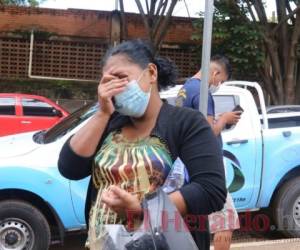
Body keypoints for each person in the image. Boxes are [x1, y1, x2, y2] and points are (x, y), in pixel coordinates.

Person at [58, 40, 227, 250]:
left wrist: (142, 210)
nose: (114, 88)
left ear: (151, 73)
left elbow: (211, 189)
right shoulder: (111, 123)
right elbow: (69, 168)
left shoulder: (187, 123)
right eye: (107, 81)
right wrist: (102, 113)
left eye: (121, 78)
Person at [175, 55, 241, 250]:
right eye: (220, 80)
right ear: (215, 73)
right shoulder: (203, 93)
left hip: (189, 167)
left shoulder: (185, 90)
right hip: (206, 168)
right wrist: (224, 120)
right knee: (226, 221)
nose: (218, 84)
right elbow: (207, 134)